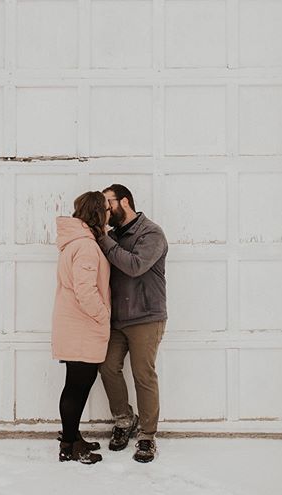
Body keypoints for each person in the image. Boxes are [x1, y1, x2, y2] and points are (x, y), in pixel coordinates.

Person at [97, 184, 168, 463]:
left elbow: (135, 266)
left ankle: (148, 437)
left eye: (108, 203)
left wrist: (103, 238)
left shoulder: (151, 232)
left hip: (146, 317)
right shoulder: (113, 236)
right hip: (117, 319)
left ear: (124, 202)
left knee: (143, 374)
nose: (105, 210)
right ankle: (125, 420)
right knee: (107, 366)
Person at [51, 191, 112, 464]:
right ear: (98, 213)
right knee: (77, 388)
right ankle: (69, 445)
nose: (109, 215)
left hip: (75, 325)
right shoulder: (86, 246)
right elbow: (85, 290)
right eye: (106, 211)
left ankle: (73, 438)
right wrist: (103, 316)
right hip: (83, 327)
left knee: (75, 387)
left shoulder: (75, 242)